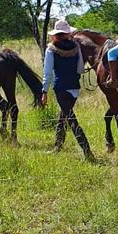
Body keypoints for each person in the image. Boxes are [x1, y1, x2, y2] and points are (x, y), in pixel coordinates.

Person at [41, 18, 95, 161]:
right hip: (74, 89)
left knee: (71, 119)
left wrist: (44, 91)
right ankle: (58, 145)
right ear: (67, 33)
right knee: (64, 115)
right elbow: (80, 69)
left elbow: (47, 73)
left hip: (61, 89)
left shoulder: (51, 49)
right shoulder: (76, 47)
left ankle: (87, 151)